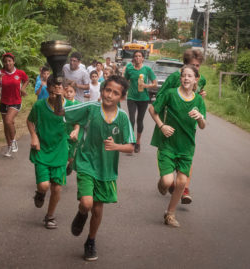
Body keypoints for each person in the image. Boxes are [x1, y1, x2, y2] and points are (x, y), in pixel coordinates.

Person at [61, 75, 135, 261]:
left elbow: (131, 146)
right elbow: (62, 111)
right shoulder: (91, 108)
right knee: (87, 203)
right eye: (107, 90)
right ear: (102, 90)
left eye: (115, 93)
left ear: (122, 97)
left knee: (98, 209)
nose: (110, 95)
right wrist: (55, 96)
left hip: (106, 170)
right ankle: (81, 212)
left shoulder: (123, 117)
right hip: (86, 162)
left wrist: (116, 147)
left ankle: (90, 241)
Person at [148, 65, 206, 227]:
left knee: (181, 182)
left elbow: (202, 125)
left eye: (190, 76)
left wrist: (200, 117)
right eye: (184, 76)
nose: (186, 78)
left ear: (196, 79)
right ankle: (162, 184)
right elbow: (152, 109)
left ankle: (170, 214)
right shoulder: (170, 94)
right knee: (167, 182)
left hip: (186, 148)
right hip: (168, 145)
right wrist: (162, 126)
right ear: (180, 78)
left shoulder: (199, 100)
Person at [27, 75, 74, 229]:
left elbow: (79, 122)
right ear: (47, 90)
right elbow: (30, 120)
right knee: (44, 185)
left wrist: (76, 132)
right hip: (42, 150)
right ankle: (40, 193)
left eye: (58, 93)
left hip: (60, 151)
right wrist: (34, 136)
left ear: (64, 89)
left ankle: (50, 216)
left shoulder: (71, 107)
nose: (54, 96)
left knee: (57, 187)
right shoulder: (39, 106)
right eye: (52, 93)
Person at [0, 52, 29, 157]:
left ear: (13, 62)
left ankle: (13, 141)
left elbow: (26, 80)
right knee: (6, 125)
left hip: (16, 101)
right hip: (4, 102)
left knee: (9, 121)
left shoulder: (20, 73)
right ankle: (9, 147)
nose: (8, 63)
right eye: (5, 61)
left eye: (9, 61)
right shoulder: (0, 73)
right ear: (4, 63)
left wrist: (22, 89)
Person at [124, 50, 157, 153]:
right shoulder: (129, 69)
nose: (137, 58)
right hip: (132, 98)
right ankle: (131, 141)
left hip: (143, 98)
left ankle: (138, 142)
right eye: (136, 56)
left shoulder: (147, 69)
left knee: (139, 121)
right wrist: (123, 92)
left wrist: (146, 86)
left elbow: (155, 83)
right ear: (134, 58)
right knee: (131, 120)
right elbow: (125, 81)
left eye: (139, 56)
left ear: (143, 58)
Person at [64, 81, 82, 176]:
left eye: (71, 91)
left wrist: (77, 131)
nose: (68, 94)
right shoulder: (61, 104)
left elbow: (81, 121)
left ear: (75, 92)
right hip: (63, 132)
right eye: (67, 91)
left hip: (74, 134)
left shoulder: (79, 104)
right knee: (63, 154)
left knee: (71, 156)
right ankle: (59, 176)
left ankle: (71, 163)